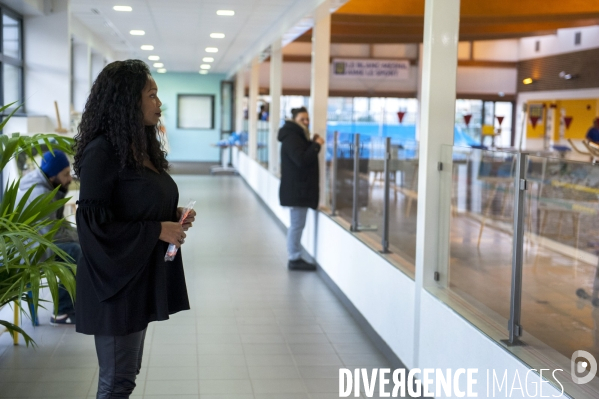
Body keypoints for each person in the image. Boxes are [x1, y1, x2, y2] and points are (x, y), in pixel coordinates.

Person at [73, 59, 195, 399]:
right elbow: (93, 227)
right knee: (117, 383)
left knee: (127, 375)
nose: (159, 103)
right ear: (128, 100)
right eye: (151, 94)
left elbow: (133, 201)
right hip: (113, 282)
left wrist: (173, 215)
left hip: (136, 276)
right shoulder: (102, 152)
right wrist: (157, 229)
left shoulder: (139, 148)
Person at [16, 150, 79, 325]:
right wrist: (79, 240)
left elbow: (58, 225)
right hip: (30, 250)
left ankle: (74, 304)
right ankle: (62, 311)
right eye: (65, 174)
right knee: (74, 251)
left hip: (39, 242)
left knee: (77, 246)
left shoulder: (47, 186)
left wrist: (80, 236)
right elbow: (53, 235)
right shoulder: (40, 194)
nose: (69, 179)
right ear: (52, 176)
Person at [278, 106, 324, 271]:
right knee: (297, 224)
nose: (306, 122)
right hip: (297, 189)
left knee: (297, 224)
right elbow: (302, 160)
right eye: (302, 119)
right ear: (294, 121)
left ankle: (295, 256)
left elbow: (301, 154)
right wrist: (316, 146)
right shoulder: (292, 137)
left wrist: (311, 143)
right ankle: (294, 257)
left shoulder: (297, 136)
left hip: (299, 188)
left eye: (307, 119)